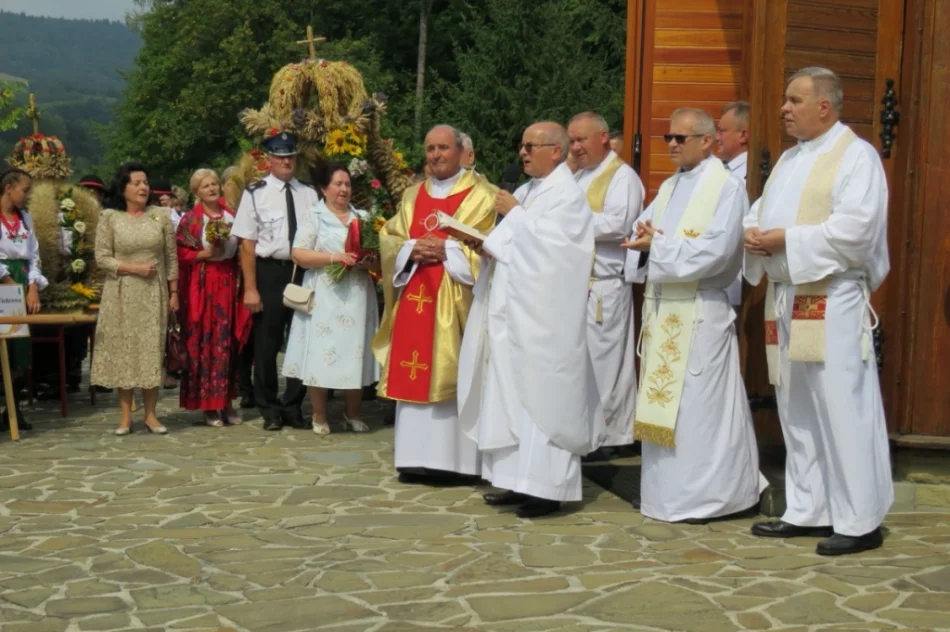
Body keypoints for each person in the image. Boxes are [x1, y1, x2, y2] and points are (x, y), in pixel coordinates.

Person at [744, 67, 891, 556]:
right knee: (797, 406)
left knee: (841, 406)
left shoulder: (857, 156)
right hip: (787, 294)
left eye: (793, 100)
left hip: (830, 296)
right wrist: (753, 231)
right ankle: (808, 509)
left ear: (823, 106)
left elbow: (856, 231)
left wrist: (786, 238)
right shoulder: (789, 159)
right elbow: (762, 211)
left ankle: (859, 518)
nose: (783, 108)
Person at [621, 108, 766, 524]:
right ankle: (666, 496)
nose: (670, 144)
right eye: (668, 137)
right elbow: (639, 233)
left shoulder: (726, 189)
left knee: (702, 408)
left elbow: (719, 251)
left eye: (680, 138)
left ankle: (716, 496)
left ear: (707, 141)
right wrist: (645, 245)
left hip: (701, 310)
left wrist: (657, 248)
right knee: (669, 407)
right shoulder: (667, 188)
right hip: (665, 307)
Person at [458, 122, 605, 518]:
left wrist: (517, 217)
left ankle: (547, 488)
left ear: (555, 151)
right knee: (510, 397)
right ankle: (515, 480)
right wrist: (484, 244)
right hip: (513, 314)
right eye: (521, 145)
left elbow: (561, 255)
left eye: (530, 146)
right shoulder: (527, 192)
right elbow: (514, 247)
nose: (522, 152)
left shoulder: (568, 196)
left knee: (543, 400)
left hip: (545, 321)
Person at [373, 124, 496, 485]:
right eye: (430, 149)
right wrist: (411, 249)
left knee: (454, 371)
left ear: (461, 152)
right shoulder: (412, 195)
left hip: (456, 301)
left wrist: (448, 249)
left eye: (443, 148)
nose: (436, 155)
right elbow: (390, 237)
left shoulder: (483, 194)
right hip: (415, 295)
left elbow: (489, 244)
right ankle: (413, 458)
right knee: (412, 370)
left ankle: (455, 462)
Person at [282, 164, 380, 435]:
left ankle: (353, 412)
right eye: (338, 184)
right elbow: (299, 254)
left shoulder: (362, 217)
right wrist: (334, 257)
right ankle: (319, 414)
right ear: (324, 189)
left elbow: (379, 259)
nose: (344, 189)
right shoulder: (314, 216)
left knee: (354, 351)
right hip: (325, 293)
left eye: (347, 184)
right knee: (322, 353)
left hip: (357, 293)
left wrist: (368, 261)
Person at [231, 131, 318, 431]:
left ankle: (293, 404)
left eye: (290, 155)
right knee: (267, 344)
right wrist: (251, 288)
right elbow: (247, 245)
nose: (286, 161)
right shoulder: (255, 193)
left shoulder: (309, 192)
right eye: (280, 156)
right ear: (268, 160)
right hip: (270, 272)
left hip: (303, 272)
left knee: (301, 339)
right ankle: (269, 407)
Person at [568, 111, 642, 456]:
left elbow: (618, 223)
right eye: (571, 141)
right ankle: (587, 429)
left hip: (605, 285)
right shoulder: (579, 176)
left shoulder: (622, 176)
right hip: (577, 282)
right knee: (582, 360)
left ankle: (613, 436)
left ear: (602, 138)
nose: (576, 147)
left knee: (606, 361)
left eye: (581, 139)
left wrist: (567, 221)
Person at [91, 162, 179, 436]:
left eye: (145, 182)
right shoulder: (110, 217)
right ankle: (126, 415)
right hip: (120, 292)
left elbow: (171, 257)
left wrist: (174, 292)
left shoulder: (161, 215)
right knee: (124, 351)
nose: (143, 187)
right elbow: (102, 257)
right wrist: (133, 268)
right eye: (136, 183)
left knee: (151, 350)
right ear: (124, 187)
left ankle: (151, 415)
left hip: (154, 294)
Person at [176, 168, 252, 427]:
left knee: (227, 342)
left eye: (214, 184)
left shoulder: (232, 216)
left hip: (229, 282)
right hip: (205, 283)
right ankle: (208, 405)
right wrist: (205, 255)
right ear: (196, 192)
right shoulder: (191, 220)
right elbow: (181, 253)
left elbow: (245, 245)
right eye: (205, 185)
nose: (211, 188)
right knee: (206, 340)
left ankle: (227, 401)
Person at [0, 168, 46, 432]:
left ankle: (13, 408)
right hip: (3, 279)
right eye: (25, 190)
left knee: (18, 346)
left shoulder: (26, 219)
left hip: (21, 279)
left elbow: (34, 255)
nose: (27, 196)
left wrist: (32, 286)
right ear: (9, 188)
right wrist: (6, 279)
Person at [718, 100, 751, 308]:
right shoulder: (722, 171)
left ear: (743, 135)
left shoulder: (749, 176)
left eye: (722, 131)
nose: (716, 137)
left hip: (737, 280)